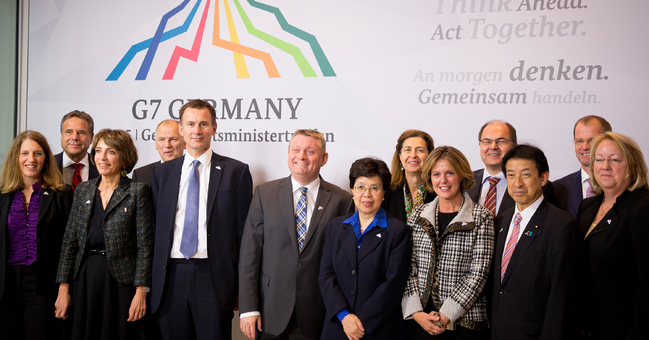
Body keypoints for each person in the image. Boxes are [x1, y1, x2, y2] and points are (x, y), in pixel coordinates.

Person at [150, 99, 253, 340]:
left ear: (214, 128)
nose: (197, 130)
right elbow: (153, 231)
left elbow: (244, 234)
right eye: (191, 124)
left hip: (214, 278)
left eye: (204, 124)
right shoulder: (161, 173)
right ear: (181, 129)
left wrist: (241, 286)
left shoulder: (236, 172)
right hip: (169, 278)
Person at [239, 129, 352, 340]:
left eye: (310, 151)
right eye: (296, 149)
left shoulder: (343, 200)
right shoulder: (265, 193)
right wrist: (249, 309)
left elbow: (344, 265)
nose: (301, 156)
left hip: (318, 313)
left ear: (324, 158)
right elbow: (249, 256)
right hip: (269, 312)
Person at [54, 129, 154, 340]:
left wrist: (141, 290)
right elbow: (70, 242)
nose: (102, 157)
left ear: (124, 157)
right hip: (86, 277)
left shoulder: (137, 191)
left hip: (121, 283)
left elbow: (145, 246)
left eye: (111, 152)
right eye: (98, 151)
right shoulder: (83, 190)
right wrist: (63, 287)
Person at [402, 146, 494, 340]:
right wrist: (416, 313)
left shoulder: (481, 217)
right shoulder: (418, 215)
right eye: (436, 174)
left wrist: (445, 315)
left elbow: (478, 274)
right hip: (420, 322)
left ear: (461, 175)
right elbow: (408, 268)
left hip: (464, 325)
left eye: (449, 173)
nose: (442, 180)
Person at [490, 145, 578, 340]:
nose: (517, 183)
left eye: (526, 175)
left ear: (544, 178)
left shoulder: (561, 225)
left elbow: (561, 296)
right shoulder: (500, 221)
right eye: (511, 175)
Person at [318, 157, 410, 340]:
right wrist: (344, 316)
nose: (366, 194)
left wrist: (360, 323)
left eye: (374, 188)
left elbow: (393, 285)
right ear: (352, 189)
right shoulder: (335, 227)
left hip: (376, 329)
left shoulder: (398, 231)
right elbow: (326, 276)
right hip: (338, 327)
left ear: (384, 192)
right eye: (360, 187)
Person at [0, 131, 73, 340]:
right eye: (25, 153)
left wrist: (64, 288)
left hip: (43, 287)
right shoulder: (2, 195)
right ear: (16, 157)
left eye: (37, 153)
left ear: (46, 158)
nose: (31, 159)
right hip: (5, 287)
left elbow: (69, 247)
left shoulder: (62, 195)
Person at [576, 132, 649, 339]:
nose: (604, 166)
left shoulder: (642, 209)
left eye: (615, 160)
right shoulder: (588, 206)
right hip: (589, 326)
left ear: (633, 166)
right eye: (599, 159)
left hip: (625, 329)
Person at [554, 115, 612, 219]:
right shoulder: (558, 188)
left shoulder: (622, 185)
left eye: (592, 140)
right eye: (579, 141)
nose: (585, 147)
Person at [383, 130, 436, 223]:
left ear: (429, 155)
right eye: (407, 150)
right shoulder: (387, 191)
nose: (413, 155)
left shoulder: (439, 190)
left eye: (420, 150)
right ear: (400, 156)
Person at [54, 110, 99, 190]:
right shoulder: (46, 165)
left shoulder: (101, 167)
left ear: (91, 137)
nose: (74, 137)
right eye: (69, 132)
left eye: (81, 132)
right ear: (61, 136)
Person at [132, 119, 185, 185]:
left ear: (185, 143)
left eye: (173, 139)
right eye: (161, 139)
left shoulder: (193, 172)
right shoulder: (141, 175)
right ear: (156, 144)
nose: (167, 145)